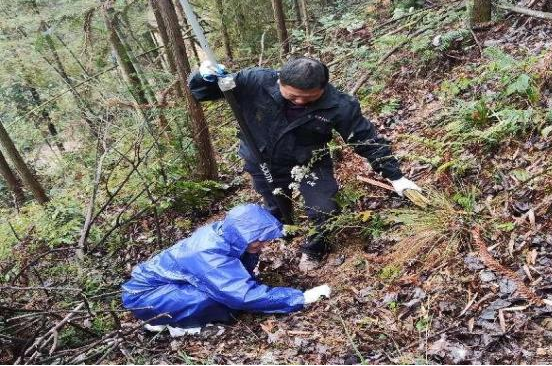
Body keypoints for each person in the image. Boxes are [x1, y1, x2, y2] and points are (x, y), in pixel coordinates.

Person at [188, 57, 421, 271]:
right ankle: (279, 236)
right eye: (292, 97)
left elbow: (365, 139)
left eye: (309, 98)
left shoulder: (339, 105)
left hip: (310, 162)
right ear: (279, 81)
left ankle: (315, 249)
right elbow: (202, 93)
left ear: (323, 88)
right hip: (261, 159)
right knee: (276, 207)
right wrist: (203, 76)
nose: (300, 102)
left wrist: (395, 176)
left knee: (325, 209)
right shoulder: (255, 81)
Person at [121, 204, 330, 336]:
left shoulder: (230, 236)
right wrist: (300, 298)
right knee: (213, 299)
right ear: (240, 233)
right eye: (258, 240)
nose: (263, 245)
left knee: (223, 296)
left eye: (265, 239)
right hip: (144, 297)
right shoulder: (208, 252)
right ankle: (175, 326)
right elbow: (241, 295)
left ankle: (172, 319)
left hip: (163, 288)